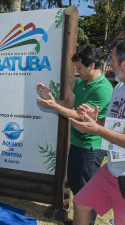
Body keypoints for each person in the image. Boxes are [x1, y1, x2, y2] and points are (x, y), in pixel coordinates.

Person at [36, 45, 113, 225]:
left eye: (79, 68)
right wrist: (52, 99)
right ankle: (79, 220)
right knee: (77, 186)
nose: (77, 72)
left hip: (92, 147)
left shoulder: (103, 89)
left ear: (92, 65)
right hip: (77, 143)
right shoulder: (81, 83)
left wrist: (55, 107)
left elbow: (81, 117)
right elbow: (68, 105)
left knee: (89, 190)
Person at [70, 37, 125, 225]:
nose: (110, 64)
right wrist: (96, 120)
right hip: (112, 168)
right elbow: (112, 125)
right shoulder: (119, 87)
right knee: (81, 203)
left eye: (113, 59)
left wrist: (96, 129)